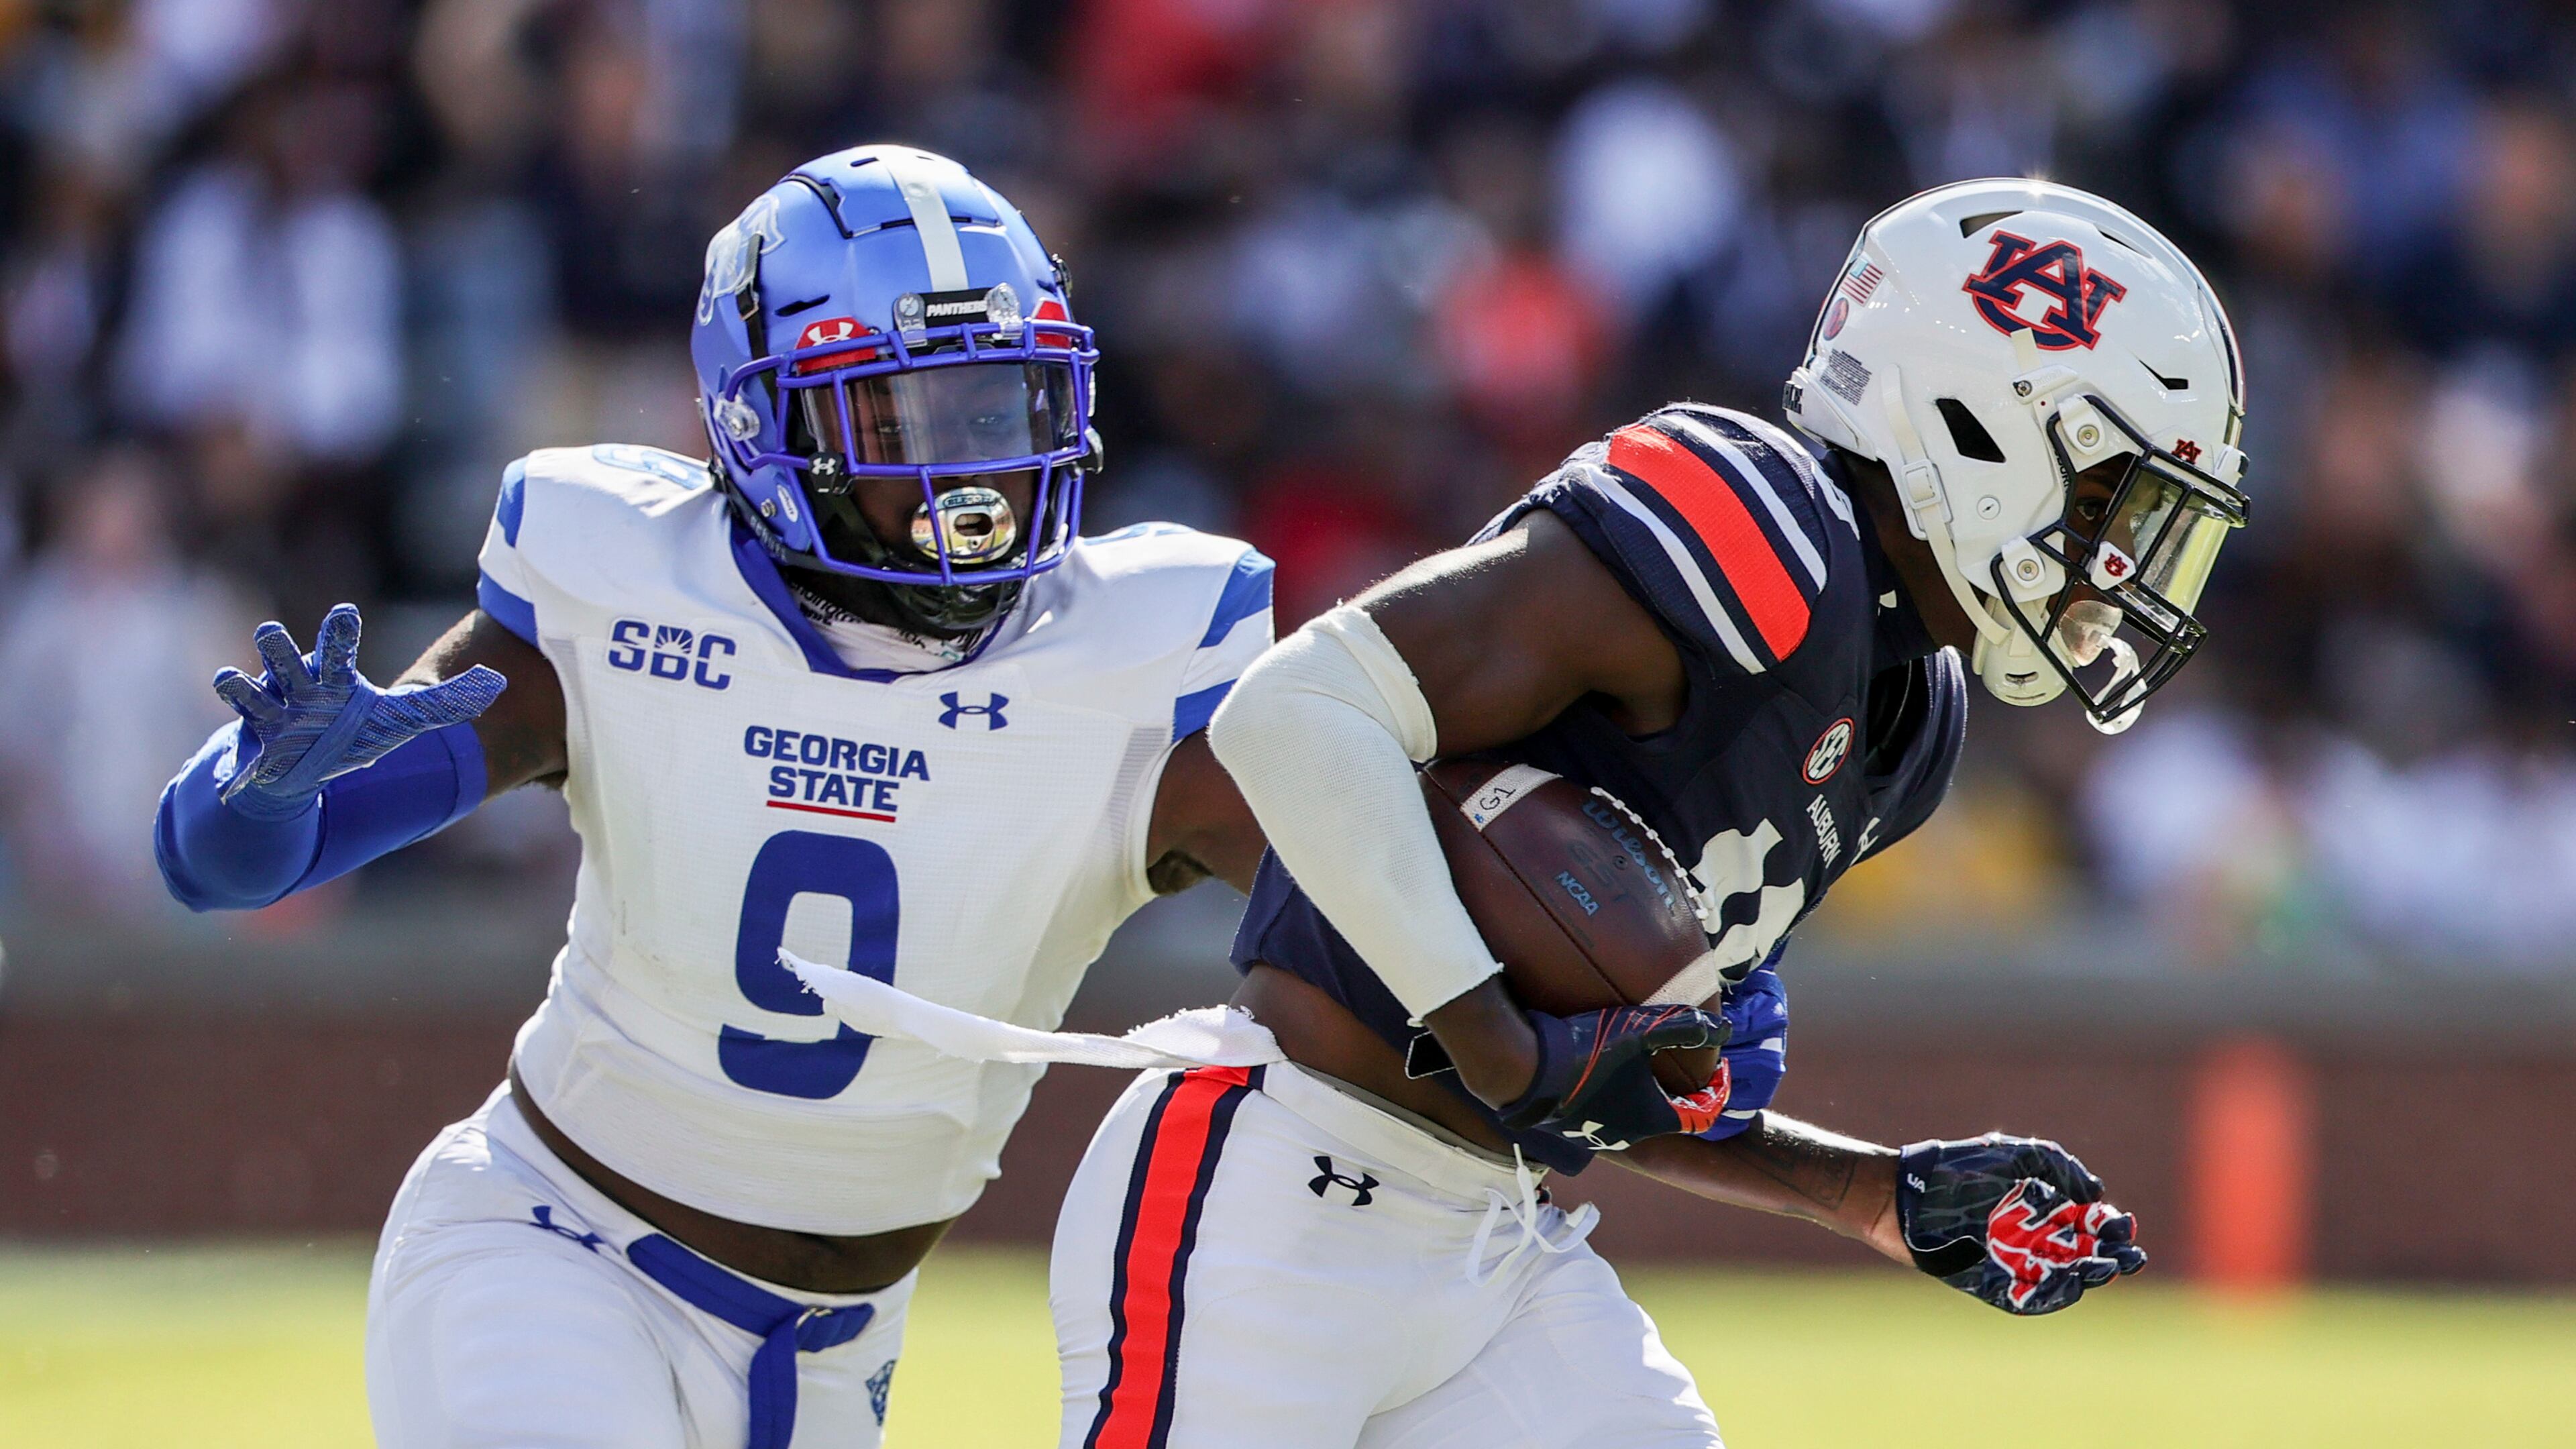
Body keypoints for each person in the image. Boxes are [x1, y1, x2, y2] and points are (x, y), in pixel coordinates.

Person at [1036, 178, 2247, 1447]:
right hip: (1272, 1189)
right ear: (1983, 428)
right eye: (2111, 500)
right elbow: (1292, 712)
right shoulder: (1755, 532)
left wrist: (1880, 1197)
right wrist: (1493, 1039)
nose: (2126, 560)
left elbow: (1605, 1081)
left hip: (1495, 1244)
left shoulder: (1911, 723)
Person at [150, 146, 1273, 1449]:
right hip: (554, 1252)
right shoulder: (628, 597)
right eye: (903, 420)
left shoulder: (1135, 671)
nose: (974, 476)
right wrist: (258, 791)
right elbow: (217, 866)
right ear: (763, 428)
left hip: (837, 1353)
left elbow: (1383, 915)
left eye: (1002, 408)